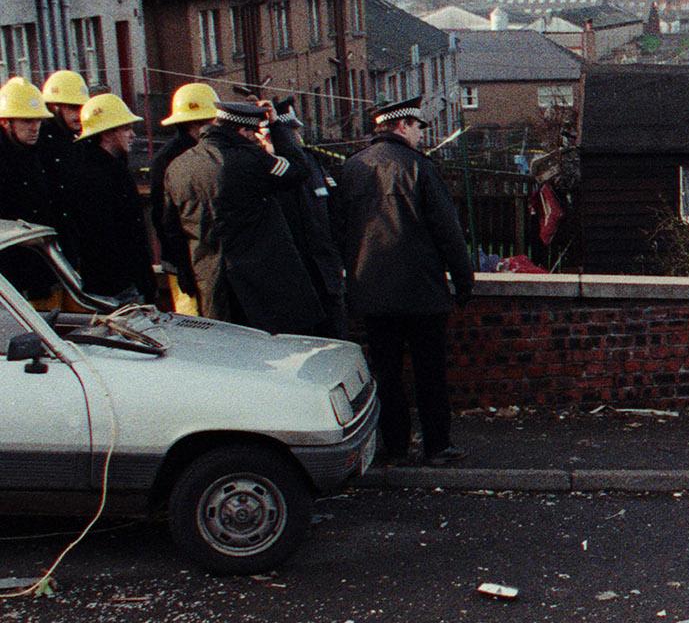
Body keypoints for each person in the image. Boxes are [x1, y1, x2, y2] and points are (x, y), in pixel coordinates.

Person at [337, 96, 473, 464]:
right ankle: (437, 446)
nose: (419, 135)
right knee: (430, 372)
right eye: (416, 127)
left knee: (386, 374)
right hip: (422, 291)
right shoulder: (419, 168)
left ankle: (394, 446)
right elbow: (449, 231)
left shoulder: (352, 169)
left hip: (372, 293)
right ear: (401, 126)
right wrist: (464, 281)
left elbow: (337, 231)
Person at [162, 95, 323, 334]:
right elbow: (299, 170)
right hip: (261, 288)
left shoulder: (178, 167)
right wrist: (277, 126)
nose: (256, 139)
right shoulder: (252, 160)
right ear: (242, 130)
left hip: (212, 287)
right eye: (253, 134)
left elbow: (171, 231)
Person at [261, 97, 348, 338]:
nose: (296, 137)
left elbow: (334, 215)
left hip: (326, 278)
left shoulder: (312, 163)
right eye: (290, 133)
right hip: (293, 286)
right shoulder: (265, 169)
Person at [65, 93, 156, 301]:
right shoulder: (94, 177)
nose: (132, 135)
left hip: (126, 282)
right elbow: (103, 238)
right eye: (125, 128)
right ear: (106, 134)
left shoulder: (111, 169)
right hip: (117, 287)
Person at [150, 81, 217, 313]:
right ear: (197, 124)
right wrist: (183, 268)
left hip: (190, 260)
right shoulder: (180, 159)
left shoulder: (166, 158)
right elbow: (165, 219)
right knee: (196, 322)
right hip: (189, 262)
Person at [0, 76, 59, 305]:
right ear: (6, 122)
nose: (35, 128)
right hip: (10, 278)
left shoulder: (37, 154)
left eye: (38, 121)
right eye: (27, 121)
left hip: (39, 270)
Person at [37, 68, 88, 260]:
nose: (79, 115)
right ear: (55, 107)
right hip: (55, 236)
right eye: (72, 108)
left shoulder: (77, 140)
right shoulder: (44, 143)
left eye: (82, 108)